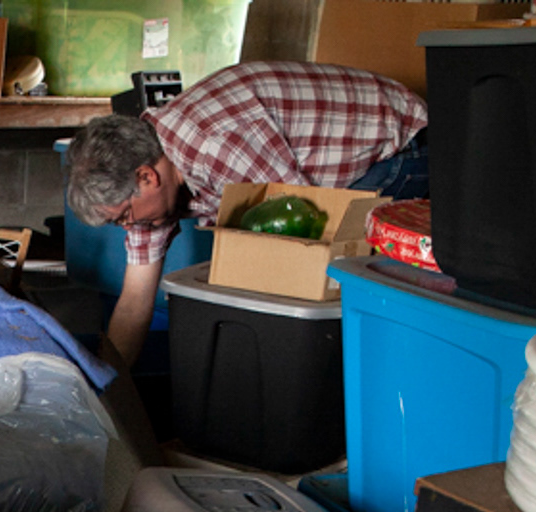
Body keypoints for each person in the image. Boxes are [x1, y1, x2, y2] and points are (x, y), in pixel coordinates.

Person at [66, 61, 429, 372]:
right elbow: (133, 301)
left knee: (339, 288)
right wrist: (107, 387)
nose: (129, 228)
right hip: (316, 176)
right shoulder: (151, 180)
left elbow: (301, 232)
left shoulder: (214, 146)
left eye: (124, 217)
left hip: (400, 145)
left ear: (147, 177)